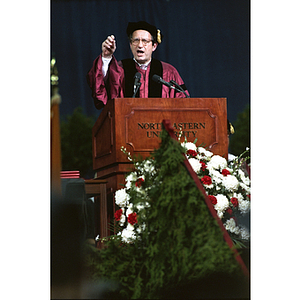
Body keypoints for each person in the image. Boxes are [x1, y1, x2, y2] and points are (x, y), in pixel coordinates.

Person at [87, 21, 190, 109]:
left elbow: (183, 103)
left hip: (162, 130)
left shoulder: (168, 71)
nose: (140, 45)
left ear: (154, 46)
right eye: (136, 41)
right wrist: (106, 57)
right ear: (131, 45)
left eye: (145, 41)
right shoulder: (120, 69)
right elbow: (101, 93)